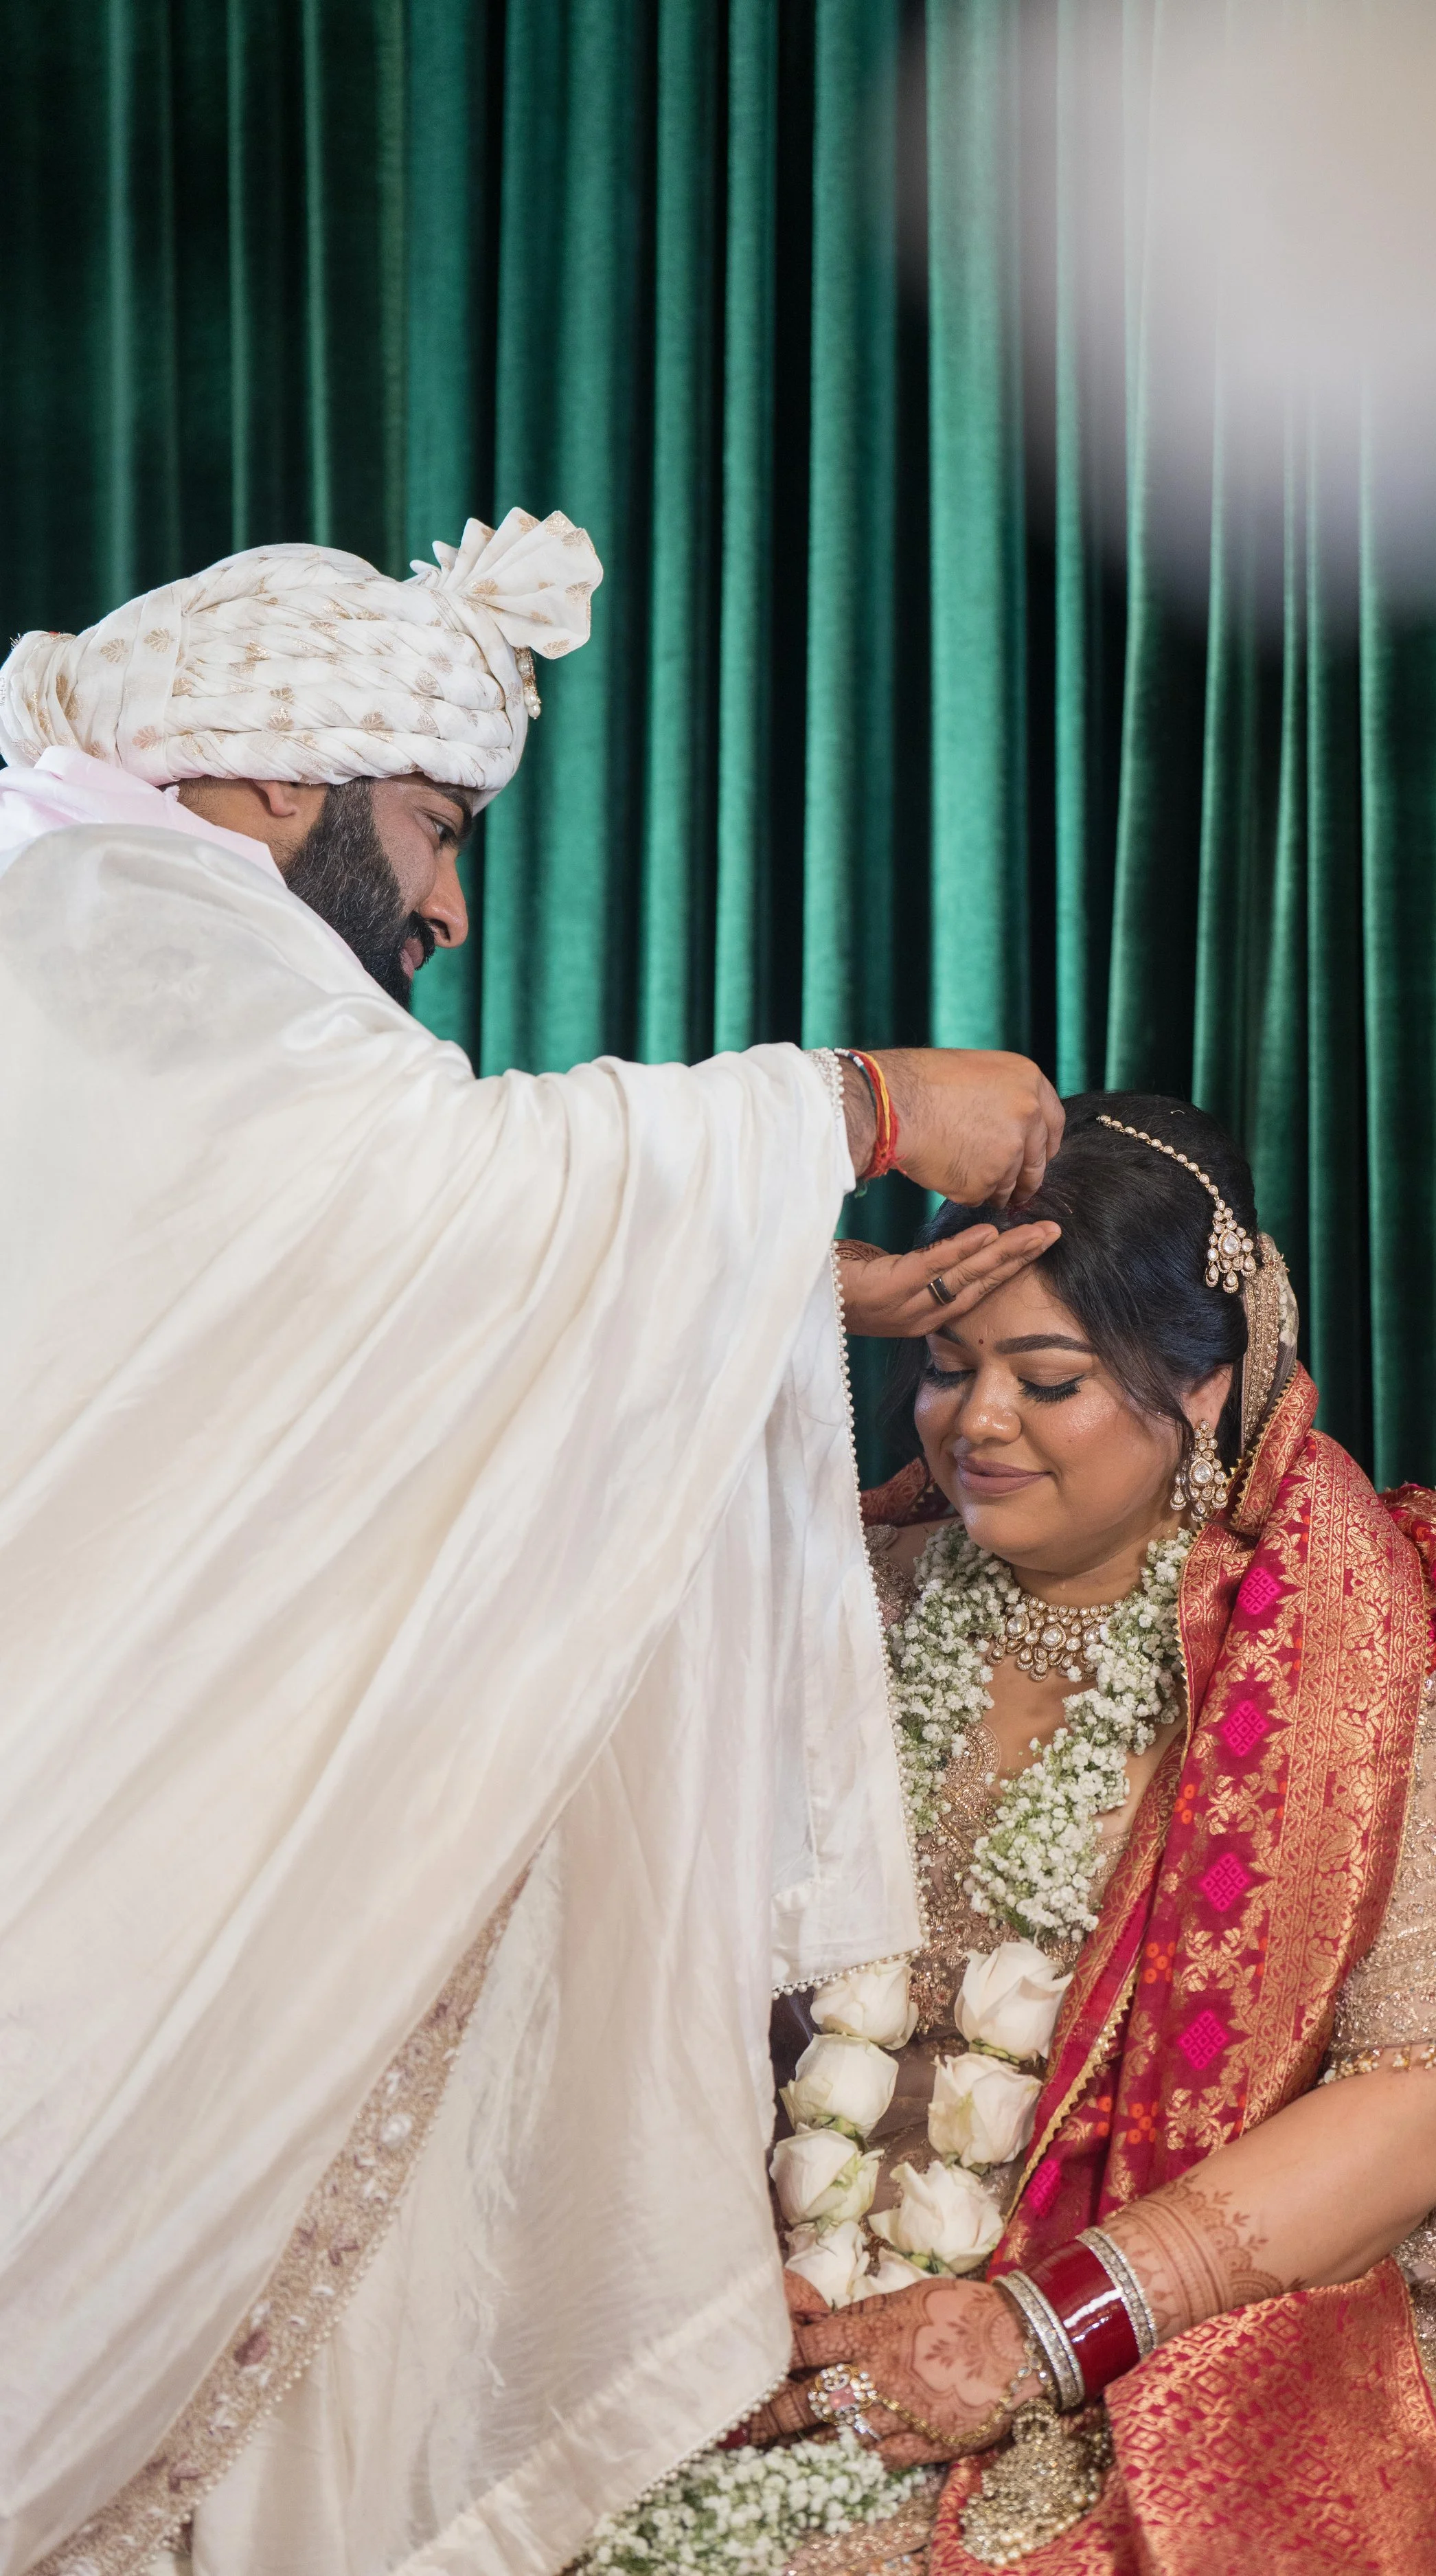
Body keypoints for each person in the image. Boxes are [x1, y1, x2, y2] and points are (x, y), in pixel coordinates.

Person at [0, 512, 1065, 2576]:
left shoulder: (90, 914)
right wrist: (848, 1107)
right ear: (287, 776)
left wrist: (772, 1286)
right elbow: (421, 1191)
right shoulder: (126, 924)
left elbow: (322, 1310)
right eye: (433, 829)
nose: (455, 906)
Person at [634, 1095, 1436, 2576]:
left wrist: (1040, 2330)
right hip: (779, 2324)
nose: (977, 1422)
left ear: (1200, 1389)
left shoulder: (1384, 1641)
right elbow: (641, 1966)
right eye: (946, 1370)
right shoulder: (834, 1606)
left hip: (1190, 2338)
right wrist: (690, 2254)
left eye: (1049, 1376)